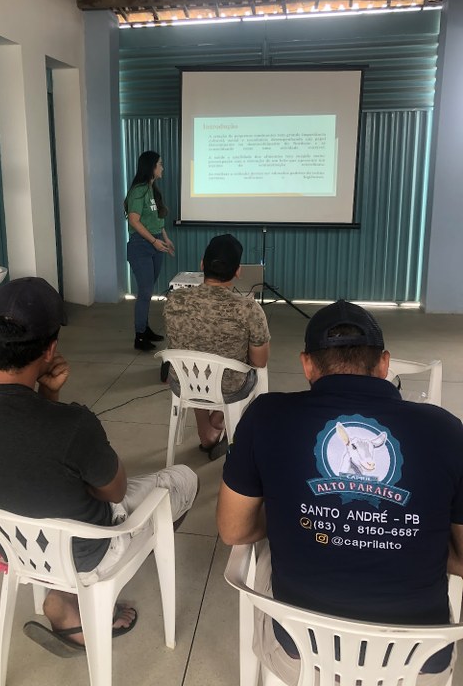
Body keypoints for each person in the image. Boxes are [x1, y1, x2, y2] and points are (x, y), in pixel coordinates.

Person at [0, 277, 198, 657]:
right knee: (182, 479)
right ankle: (75, 594)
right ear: (50, 350)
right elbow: (115, 492)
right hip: (86, 553)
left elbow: (20, 456)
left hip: (13, 545)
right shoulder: (73, 425)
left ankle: (58, 596)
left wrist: (49, 396)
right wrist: (56, 405)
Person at [217, 299, 463, 684]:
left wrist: (297, 519)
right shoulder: (447, 430)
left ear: (307, 365)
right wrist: (412, 538)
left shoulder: (266, 416)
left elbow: (233, 530)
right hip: (415, 665)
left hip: (299, 655)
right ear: (384, 365)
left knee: (264, 556)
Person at [163, 234, 270, 460]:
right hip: (229, 387)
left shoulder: (175, 299)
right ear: (238, 271)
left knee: (196, 363)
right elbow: (260, 361)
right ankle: (218, 422)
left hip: (184, 381)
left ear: (202, 264)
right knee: (251, 372)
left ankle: (207, 430)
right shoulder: (248, 309)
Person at [124, 150, 175, 352]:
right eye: (160, 164)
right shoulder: (139, 191)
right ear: (151, 167)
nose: (162, 168)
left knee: (148, 290)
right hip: (141, 246)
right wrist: (154, 241)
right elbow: (134, 220)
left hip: (155, 244)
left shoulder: (152, 190)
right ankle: (140, 336)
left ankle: (145, 329)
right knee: (145, 293)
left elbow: (156, 219)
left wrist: (165, 238)